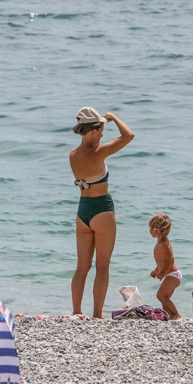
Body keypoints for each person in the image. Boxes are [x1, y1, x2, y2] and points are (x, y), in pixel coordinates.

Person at [70, 106, 134, 318]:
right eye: (102, 129)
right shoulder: (99, 152)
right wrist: (113, 116)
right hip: (102, 210)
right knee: (102, 266)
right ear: (94, 131)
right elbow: (129, 135)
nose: (104, 134)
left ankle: (77, 312)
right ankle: (97, 314)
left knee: (81, 268)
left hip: (83, 212)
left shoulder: (73, 155)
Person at [149, 214, 181, 320]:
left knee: (161, 296)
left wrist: (163, 273)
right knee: (165, 298)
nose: (150, 231)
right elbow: (162, 261)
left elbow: (171, 260)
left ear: (158, 230)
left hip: (173, 275)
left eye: (152, 228)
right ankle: (168, 315)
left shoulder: (164, 244)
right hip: (171, 275)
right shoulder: (160, 242)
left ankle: (176, 314)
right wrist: (156, 270)